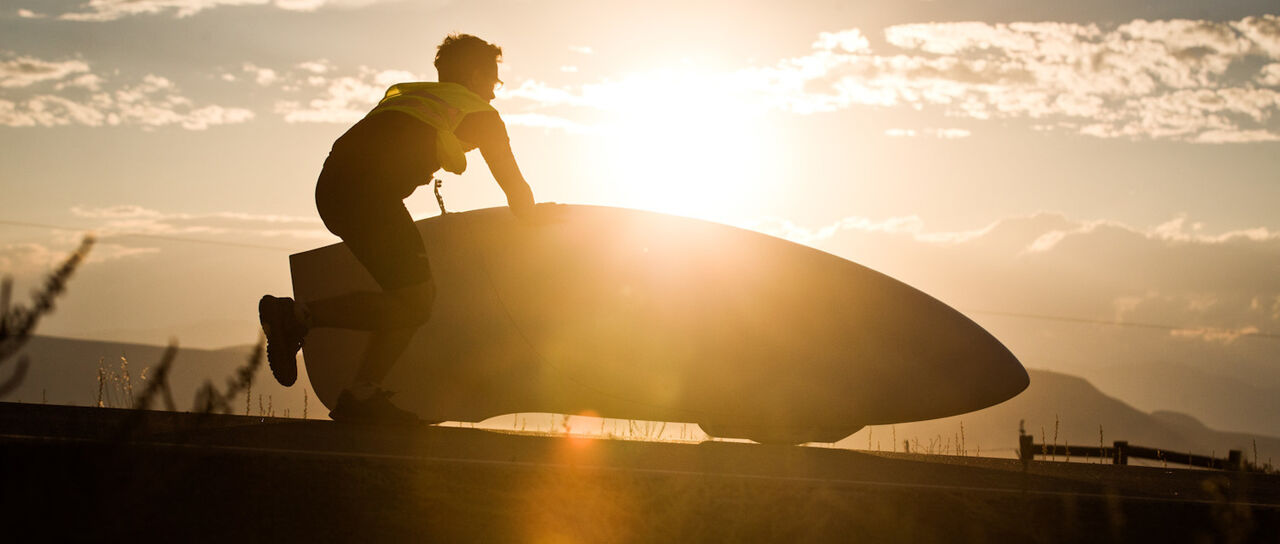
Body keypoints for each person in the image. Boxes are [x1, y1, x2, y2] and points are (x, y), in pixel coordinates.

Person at [259, 33, 549, 423]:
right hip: (367, 193)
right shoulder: (479, 113)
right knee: (414, 301)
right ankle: (297, 320)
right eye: (494, 82)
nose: (495, 94)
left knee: (407, 297)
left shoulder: (420, 98)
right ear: (476, 74)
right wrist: (546, 222)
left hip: (332, 188)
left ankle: (360, 391)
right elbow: (515, 189)